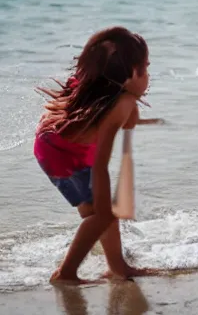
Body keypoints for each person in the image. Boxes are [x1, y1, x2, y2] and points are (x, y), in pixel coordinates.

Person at [34, 26, 160, 284]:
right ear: (131, 73)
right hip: (65, 155)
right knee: (101, 216)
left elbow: (128, 121)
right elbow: (101, 163)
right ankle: (65, 273)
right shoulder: (118, 103)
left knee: (99, 215)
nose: (149, 75)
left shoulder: (102, 87)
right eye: (146, 68)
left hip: (50, 144)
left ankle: (117, 267)